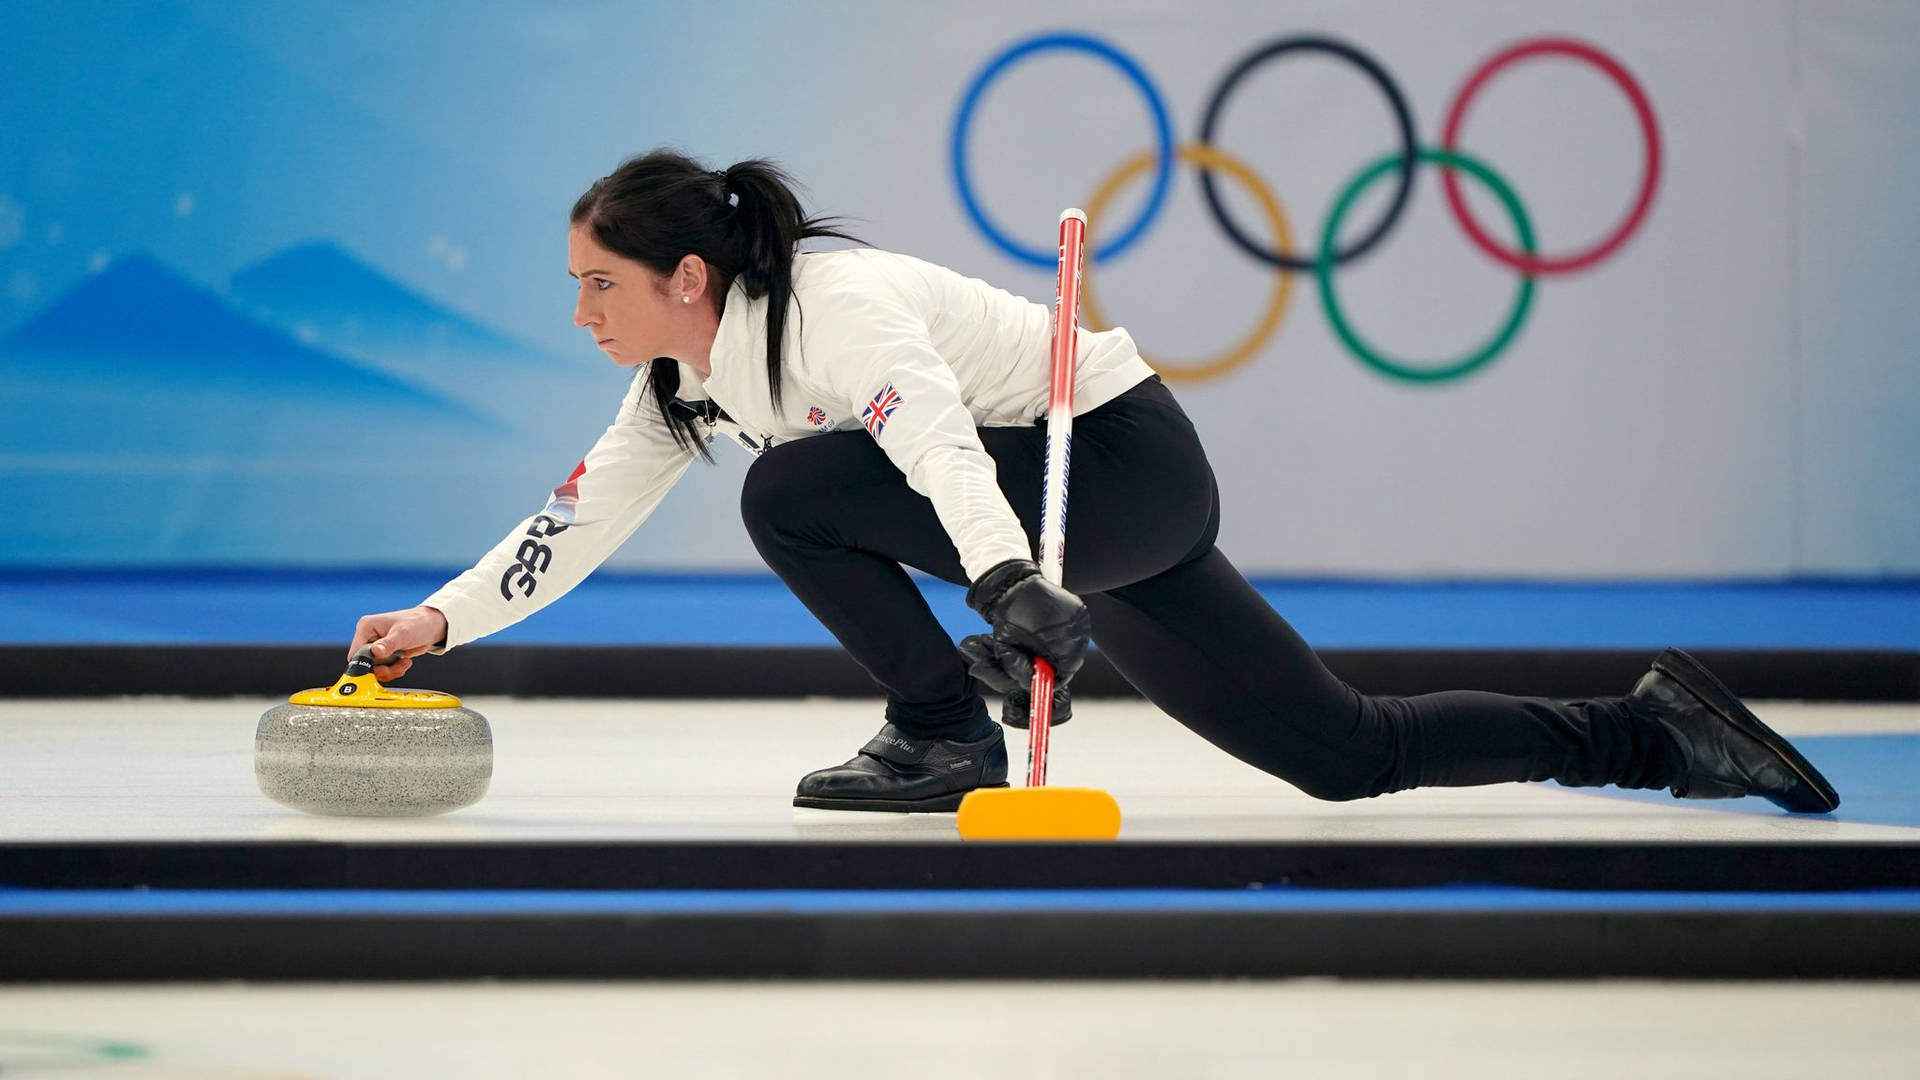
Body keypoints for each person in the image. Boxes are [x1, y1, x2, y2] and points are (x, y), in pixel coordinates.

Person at [350, 149, 1840, 816]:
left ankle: (940, 733)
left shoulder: (835, 304)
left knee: (788, 492)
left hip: (1113, 469)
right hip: (1055, 512)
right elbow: (580, 509)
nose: (580, 313)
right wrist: (442, 620)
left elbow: (934, 445)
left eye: (596, 285)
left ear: (687, 274)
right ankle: (1649, 737)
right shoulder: (680, 375)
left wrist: (1007, 589)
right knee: (1341, 756)